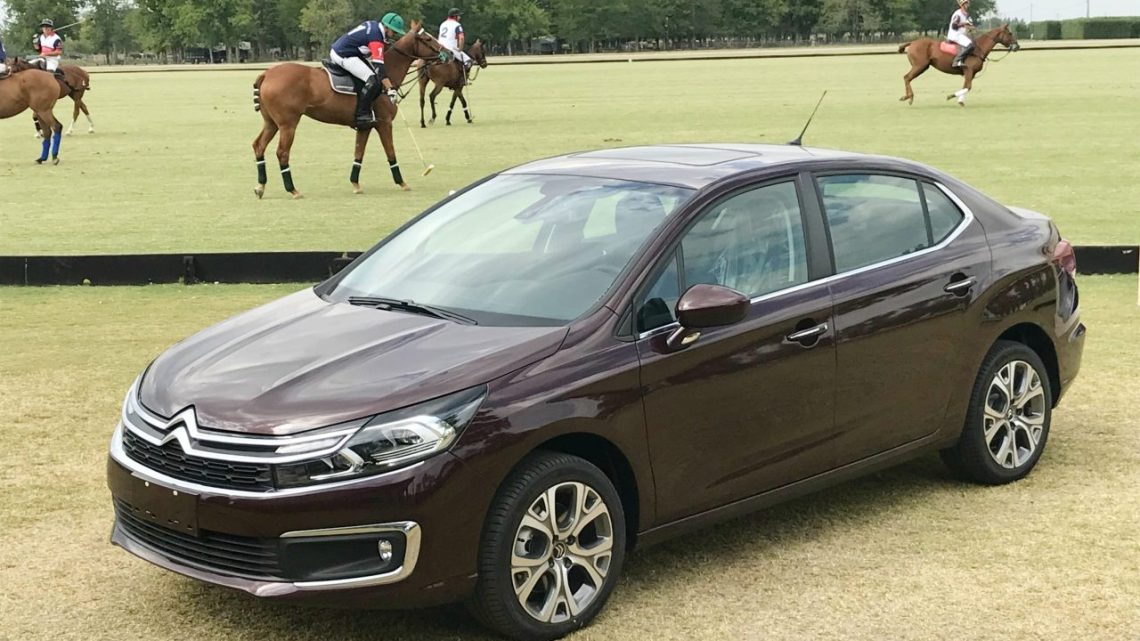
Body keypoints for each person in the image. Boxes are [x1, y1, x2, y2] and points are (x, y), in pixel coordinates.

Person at [330, 12, 407, 130]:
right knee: (373, 80)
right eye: (394, 31)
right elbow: (379, 67)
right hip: (343, 54)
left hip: (349, 51)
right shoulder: (376, 37)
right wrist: (390, 89)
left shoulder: (374, 25)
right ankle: (361, 115)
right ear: (386, 27)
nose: (395, 35)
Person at [438, 8, 472, 77]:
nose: (460, 17)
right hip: (451, 48)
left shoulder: (443, 24)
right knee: (469, 61)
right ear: (455, 16)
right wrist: (460, 49)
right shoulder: (457, 25)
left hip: (440, 48)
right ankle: (462, 78)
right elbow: (461, 38)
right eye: (459, 16)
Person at [947, 0, 975, 68]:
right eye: (966, 3)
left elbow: (964, 25)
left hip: (961, 35)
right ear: (962, 5)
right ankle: (957, 61)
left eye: (967, 3)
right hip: (955, 35)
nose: (968, 5)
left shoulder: (965, 14)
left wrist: (970, 28)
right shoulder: (958, 14)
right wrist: (964, 24)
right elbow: (954, 26)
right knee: (970, 45)